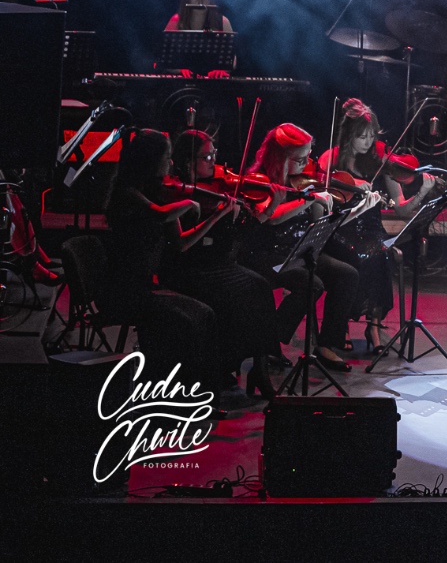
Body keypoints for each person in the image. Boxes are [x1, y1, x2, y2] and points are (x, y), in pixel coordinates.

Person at [102, 129, 244, 406]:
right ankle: (180, 391)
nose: (171, 163)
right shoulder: (127, 194)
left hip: (147, 286)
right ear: (150, 161)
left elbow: (181, 243)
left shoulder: (157, 193)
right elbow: (159, 214)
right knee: (193, 317)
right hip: (124, 289)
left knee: (205, 315)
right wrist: (188, 202)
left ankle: (200, 390)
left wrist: (216, 216)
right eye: (166, 157)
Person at [317, 100, 440, 350]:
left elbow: (401, 208)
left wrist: (422, 192)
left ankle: (374, 326)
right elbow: (321, 193)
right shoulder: (331, 158)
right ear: (348, 135)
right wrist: (351, 184)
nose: (368, 142)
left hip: (371, 229)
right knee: (355, 256)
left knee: (381, 253)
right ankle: (342, 324)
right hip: (340, 228)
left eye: (372, 136)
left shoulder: (379, 161)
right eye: (361, 136)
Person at [168, 131, 280, 399]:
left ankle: (260, 367)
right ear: (188, 161)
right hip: (190, 268)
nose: (213, 162)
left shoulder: (218, 189)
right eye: (206, 157)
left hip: (219, 265)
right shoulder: (175, 191)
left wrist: (245, 215)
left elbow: (241, 236)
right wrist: (219, 216)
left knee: (260, 287)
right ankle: (218, 368)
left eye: (213, 155)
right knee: (230, 299)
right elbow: (182, 246)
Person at [240, 124, 360, 369]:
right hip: (266, 254)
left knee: (347, 274)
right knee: (311, 285)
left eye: (308, 156)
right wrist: (308, 199)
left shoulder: (303, 181)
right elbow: (271, 218)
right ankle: (268, 342)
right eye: (300, 159)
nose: (306, 164)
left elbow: (318, 222)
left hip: (297, 250)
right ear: (280, 157)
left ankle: (326, 345)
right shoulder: (259, 180)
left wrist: (341, 208)